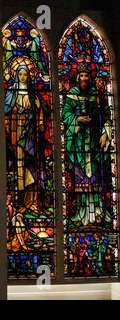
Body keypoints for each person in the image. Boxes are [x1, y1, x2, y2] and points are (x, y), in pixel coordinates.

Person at [62, 62, 112, 228]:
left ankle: (98, 211)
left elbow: (106, 115)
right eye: (81, 76)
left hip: (94, 142)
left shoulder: (95, 95)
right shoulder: (71, 94)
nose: (84, 79)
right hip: (78, 141)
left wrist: (105, 132)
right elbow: (65, 114)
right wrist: (77, 120)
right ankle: (82, 213)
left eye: (86, 76)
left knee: (97, 176)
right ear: (77, 78)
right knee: (81, 176)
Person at [5, 65, 49, 214]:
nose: (23, 77)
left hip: (30, 133)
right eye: (21, 74)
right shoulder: (11, 92)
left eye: (26, 74)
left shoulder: (32, 94)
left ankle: (32, 201)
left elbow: (41, 111)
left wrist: (39, 113)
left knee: (31, 164)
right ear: (17, 76)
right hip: (15, 132)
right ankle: (18, 201)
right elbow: (5, 111)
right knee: (19, 164)